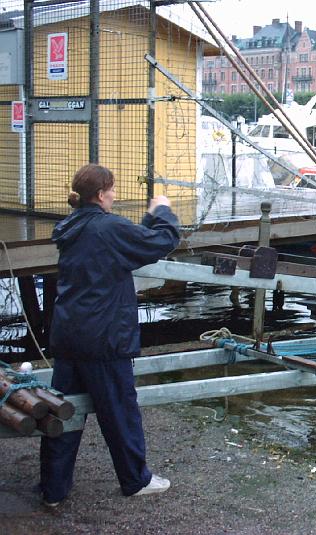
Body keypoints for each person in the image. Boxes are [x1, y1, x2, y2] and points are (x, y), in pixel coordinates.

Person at [40, 164, 180, 506]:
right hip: (103, 338)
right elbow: (162, 241)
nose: (115, 195)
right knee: (119, 411)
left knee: (65, 412)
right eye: (112, 190)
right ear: (101, 194)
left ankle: (52, 490)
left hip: (69, 333)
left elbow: (129, 243)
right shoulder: (108, 227)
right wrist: (162, 211)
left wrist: (146, 221)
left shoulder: (72, 225)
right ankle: (135, 480)